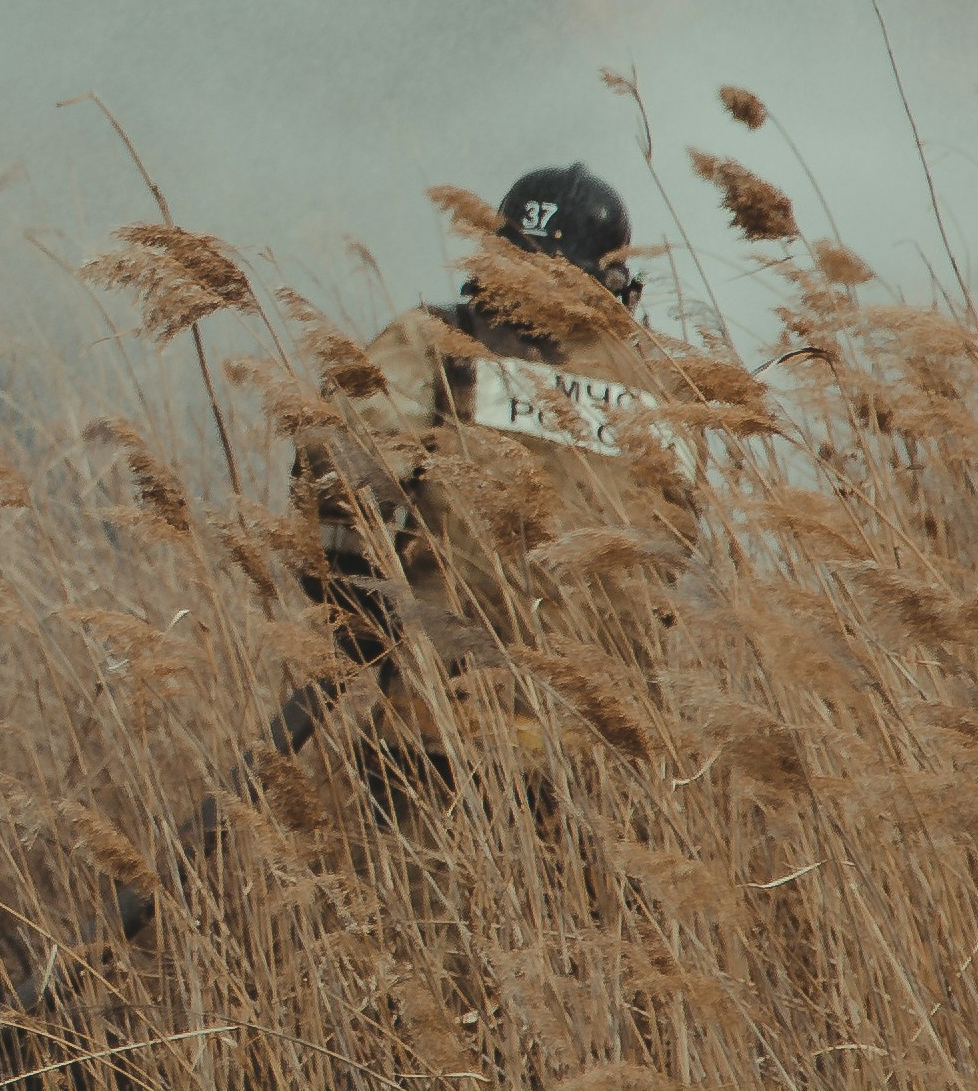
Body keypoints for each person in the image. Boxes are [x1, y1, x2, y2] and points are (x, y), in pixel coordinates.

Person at [278, 164, 700, 812]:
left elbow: (336, 475)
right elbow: (672, 549)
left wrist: (354, 614)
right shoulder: (664, 395)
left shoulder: (442, 345)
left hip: (442, 726)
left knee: (426, 905)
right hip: (603, 745)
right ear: (615, 281)